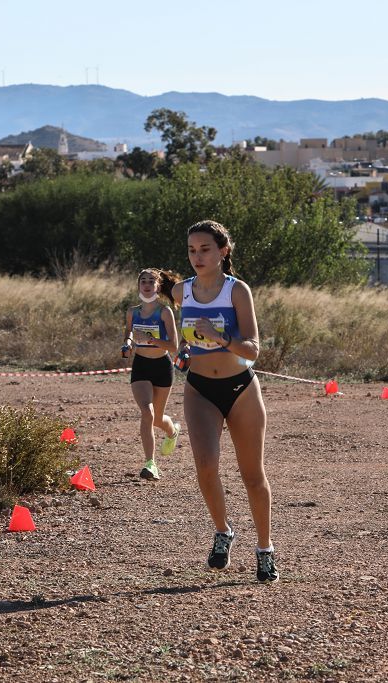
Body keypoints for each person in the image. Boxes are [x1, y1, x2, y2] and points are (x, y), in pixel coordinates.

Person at [172, 220, 278, 584]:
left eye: (205, 249)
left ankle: (265, 549)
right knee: (205, 465)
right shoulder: (180, 292)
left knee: (252, 476)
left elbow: (253, 348)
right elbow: (180, 334)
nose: (197, 257)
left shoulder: (237, 291)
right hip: (200, 387)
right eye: (191, 250)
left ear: (223, 252)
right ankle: (223, 531)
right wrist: (183, 348)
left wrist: (219, 336)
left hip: (241, 388)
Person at [124, 268, 182, 480]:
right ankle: (150, 464)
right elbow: (128, 335)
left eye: (151, 281)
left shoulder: (165, 312)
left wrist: (149, 339)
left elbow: (174, 346)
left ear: (158, 286)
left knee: (157, 418)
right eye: (143, 281)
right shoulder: (132, 312)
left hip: (162, 367)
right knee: (147, 413)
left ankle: (172, 431)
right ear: (139, 286)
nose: (147, 284)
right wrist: (127, 345)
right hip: (141, 366)